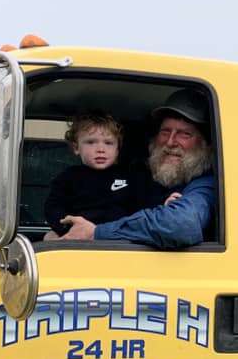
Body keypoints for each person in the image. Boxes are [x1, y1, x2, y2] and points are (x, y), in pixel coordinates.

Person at [59, 89, 217, 249]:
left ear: (206, 143)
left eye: (185, 134)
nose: (170, 142)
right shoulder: (150, 177)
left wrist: (96, 232)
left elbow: (182, 224)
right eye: (165, 131)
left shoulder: (209, 184)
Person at [43, 112, 133, 237]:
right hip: (77, 237)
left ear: (117, 149)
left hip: (118, 239)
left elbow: (141, 212)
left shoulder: (130, 177)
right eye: (91, 142)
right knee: (50, 237)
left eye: (108, 143)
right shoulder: (69, 177)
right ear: (76, 147)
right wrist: (66, 229)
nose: (101, 149)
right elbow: (53, 208)